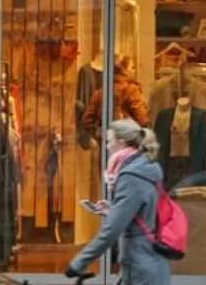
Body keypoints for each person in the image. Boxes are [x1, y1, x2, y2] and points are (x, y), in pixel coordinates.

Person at [66, 119, 172, 285]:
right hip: (145, 261)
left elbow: (112, 229)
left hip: (141, 267)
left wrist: (79, 262)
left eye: (109, 142)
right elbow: (142, 212)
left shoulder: (132, 176)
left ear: (121, 143)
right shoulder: (144, 167)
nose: (107, 147)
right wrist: (114, 209)